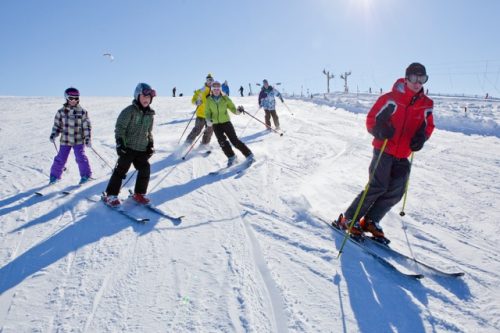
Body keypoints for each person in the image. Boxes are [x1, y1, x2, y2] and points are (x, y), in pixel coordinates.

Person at [337, 63, 435, 240]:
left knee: (396, 192)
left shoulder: (427, 104)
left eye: (422, 79)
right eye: (414, 78)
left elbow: (428, 127)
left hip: (404, 154)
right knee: (378, 186)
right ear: (406, 79)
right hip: (384, 149)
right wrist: (380, 131)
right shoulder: (390, 99)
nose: (418, 83)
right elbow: (371, 119)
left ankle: (371, 220)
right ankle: (349, 218)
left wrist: (421, 139)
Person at [103, 83, 156, 207]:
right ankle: (111, 195)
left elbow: (149, 132)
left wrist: (150, 144)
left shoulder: (150, 115)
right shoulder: (129, 111)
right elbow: (120, 128)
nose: (146, 99)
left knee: (145, 169)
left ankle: (139, 193)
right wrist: (120, 143)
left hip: (142, 149)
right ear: (137, 96)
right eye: (144, 96)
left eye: (149, 98)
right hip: (128, 148)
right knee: (121, 170)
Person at [205, 81, 254, 167]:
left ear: (220, 90)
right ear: (211, 90)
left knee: (234, 140)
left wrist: (238, 111)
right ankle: (231, 157)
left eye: (218, 89)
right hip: (216, 124)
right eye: (214, 89)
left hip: (226, 122)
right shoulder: (209, 100)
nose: (216, 91)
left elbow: (232, 108)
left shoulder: (225, 98)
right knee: (222, 142)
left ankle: (249, 155)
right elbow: (207, 112)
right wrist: (208, 120)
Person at [49, 87, 92, 184]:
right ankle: (54, 177)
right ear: (67, 98)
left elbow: (86, 127)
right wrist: (53, 134)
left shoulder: (82, 112)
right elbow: (57, 125)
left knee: (81, 158)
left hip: (78, 140)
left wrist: (88, 139)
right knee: (60, 158)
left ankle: (86, 176)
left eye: (76, 98)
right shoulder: (61, 112)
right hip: (65, 140)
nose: (74, 101)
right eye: (71, 98)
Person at [185, 73, 214, 146]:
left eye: (211, 80)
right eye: (208, 80)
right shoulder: (201, 90)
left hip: (210, 115)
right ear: (206, 81)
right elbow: (193, 100)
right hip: (201, 114)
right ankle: (187, 143)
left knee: (209, 131)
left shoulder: (214, 91)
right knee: (197, 130)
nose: (210, 82)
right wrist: (196, 102)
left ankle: (204, 144)